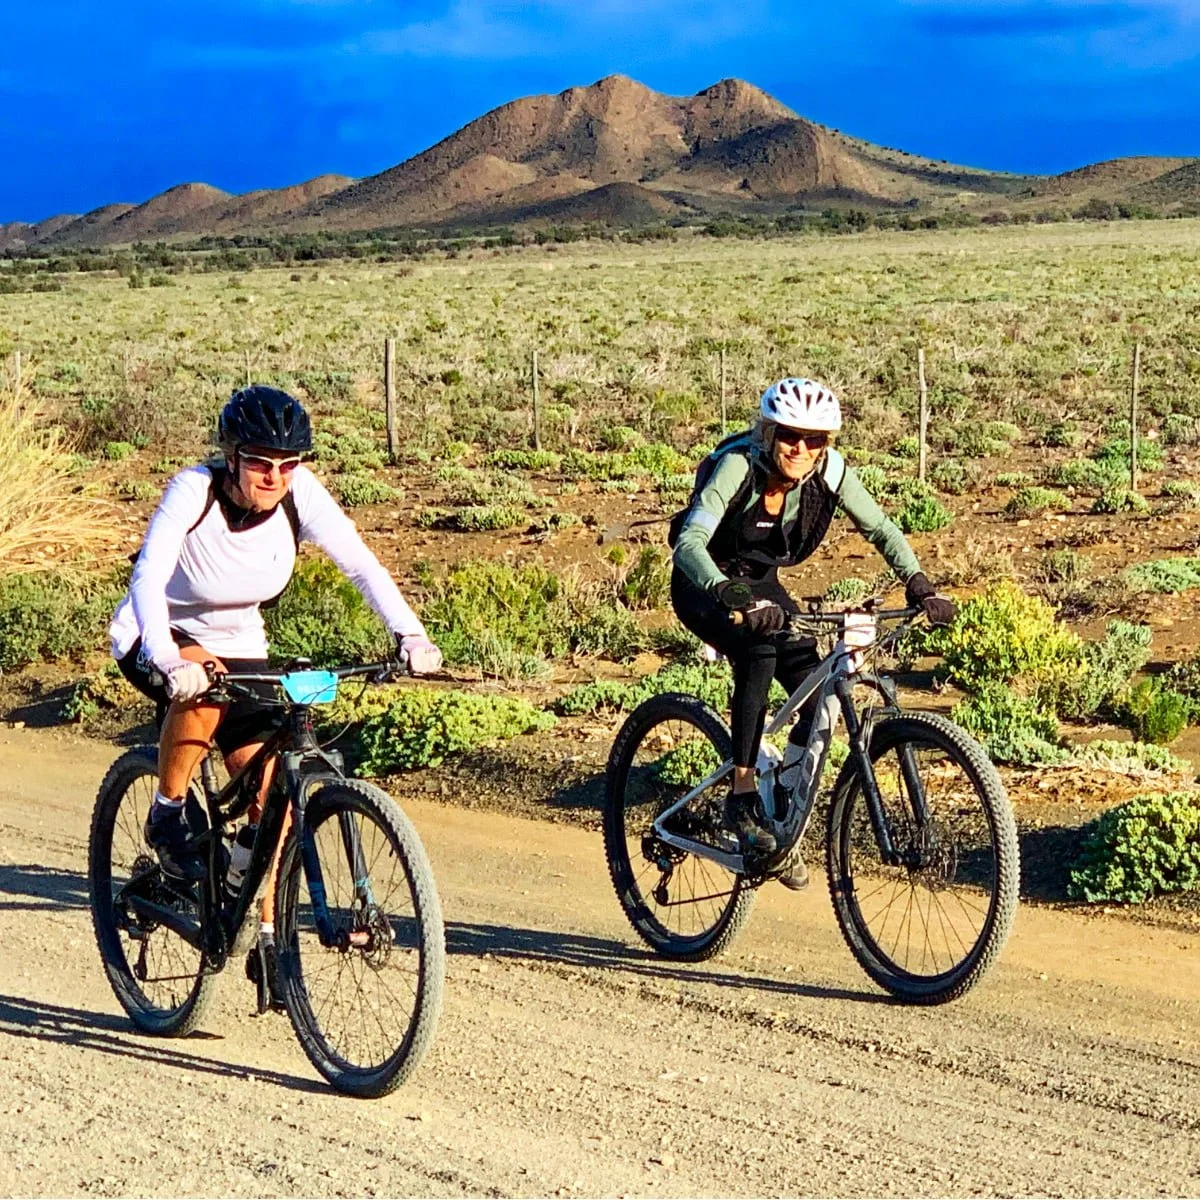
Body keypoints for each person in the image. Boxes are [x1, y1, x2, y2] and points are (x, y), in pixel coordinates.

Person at [109, 385, 441, 955]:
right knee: (205, 685)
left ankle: (257, 923)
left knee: (271, 799)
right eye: (260, 464)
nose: (275, 477)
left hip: (240, 640)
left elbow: (361, 565)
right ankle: (167, 812)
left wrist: (411, 634)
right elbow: (148, 578)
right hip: (155, 630)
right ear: (232, 456)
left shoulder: (299, 496)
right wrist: (167, 657)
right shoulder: (195, 491)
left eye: (288, 465)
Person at [670, 377, 955, 889]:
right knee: (759, 649)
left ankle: (781, 817)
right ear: (769, 430)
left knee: (817, 683)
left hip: (759, 584)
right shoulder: (740, 464)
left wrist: (919, 583)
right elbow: (690, 540)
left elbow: (881, 529)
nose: (801, 449)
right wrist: (725, 592)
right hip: (703, 583)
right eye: (790, 436)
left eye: (816, 439)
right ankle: (742, 795)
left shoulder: (829, 471)